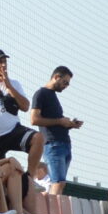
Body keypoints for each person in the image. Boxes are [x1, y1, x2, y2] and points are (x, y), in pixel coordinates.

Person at [29, 66, 81, 194]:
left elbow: (55, 120)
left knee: (59, 183)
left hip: (63, 143)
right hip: (53, 144)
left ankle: (50, 210)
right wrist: (60, 121)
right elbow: (34, 119)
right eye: (65, 82)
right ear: (56, 77)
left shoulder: (52, 96)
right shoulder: (41, 93)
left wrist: (69, 124)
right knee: (57, 182)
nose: (66, 86)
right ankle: (53, 213)